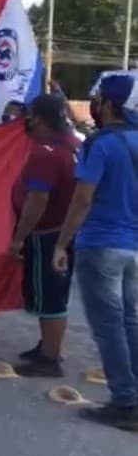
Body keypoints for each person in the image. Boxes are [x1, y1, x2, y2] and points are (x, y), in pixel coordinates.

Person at [53, 73, 138, 431]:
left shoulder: (99, 144)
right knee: (130, 321)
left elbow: (83, 198)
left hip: (101, 244)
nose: (95, 104)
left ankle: (125, 401)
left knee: (108, 328)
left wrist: (61, 243)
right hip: (133, 247)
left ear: (108, 104)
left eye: (99, 99)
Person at [7, 94, 79, 378]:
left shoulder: (46, 153)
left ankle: (50, 358)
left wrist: (19, 237)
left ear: (38, 118)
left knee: (50, 296)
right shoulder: (73, 144)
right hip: (65, 231)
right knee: (51, 293)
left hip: (46, 234)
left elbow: (38, 199)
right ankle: (47, 346)